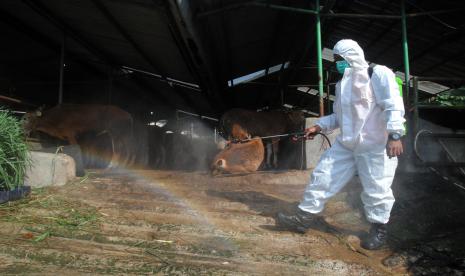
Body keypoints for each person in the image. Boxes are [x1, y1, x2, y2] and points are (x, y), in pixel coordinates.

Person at [276, 39, 405, 250]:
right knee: (322, 176)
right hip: (346, 143)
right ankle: (303, 219)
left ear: (351, 56)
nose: (337, 63)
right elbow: (339, 116)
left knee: (377, 189)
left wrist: (395, 135)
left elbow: (393, 104)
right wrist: (318, 127)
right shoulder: (342, 84)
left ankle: (378, 229)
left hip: (375, 145)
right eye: (336, 59)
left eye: (339, 59)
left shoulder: (378, 74)